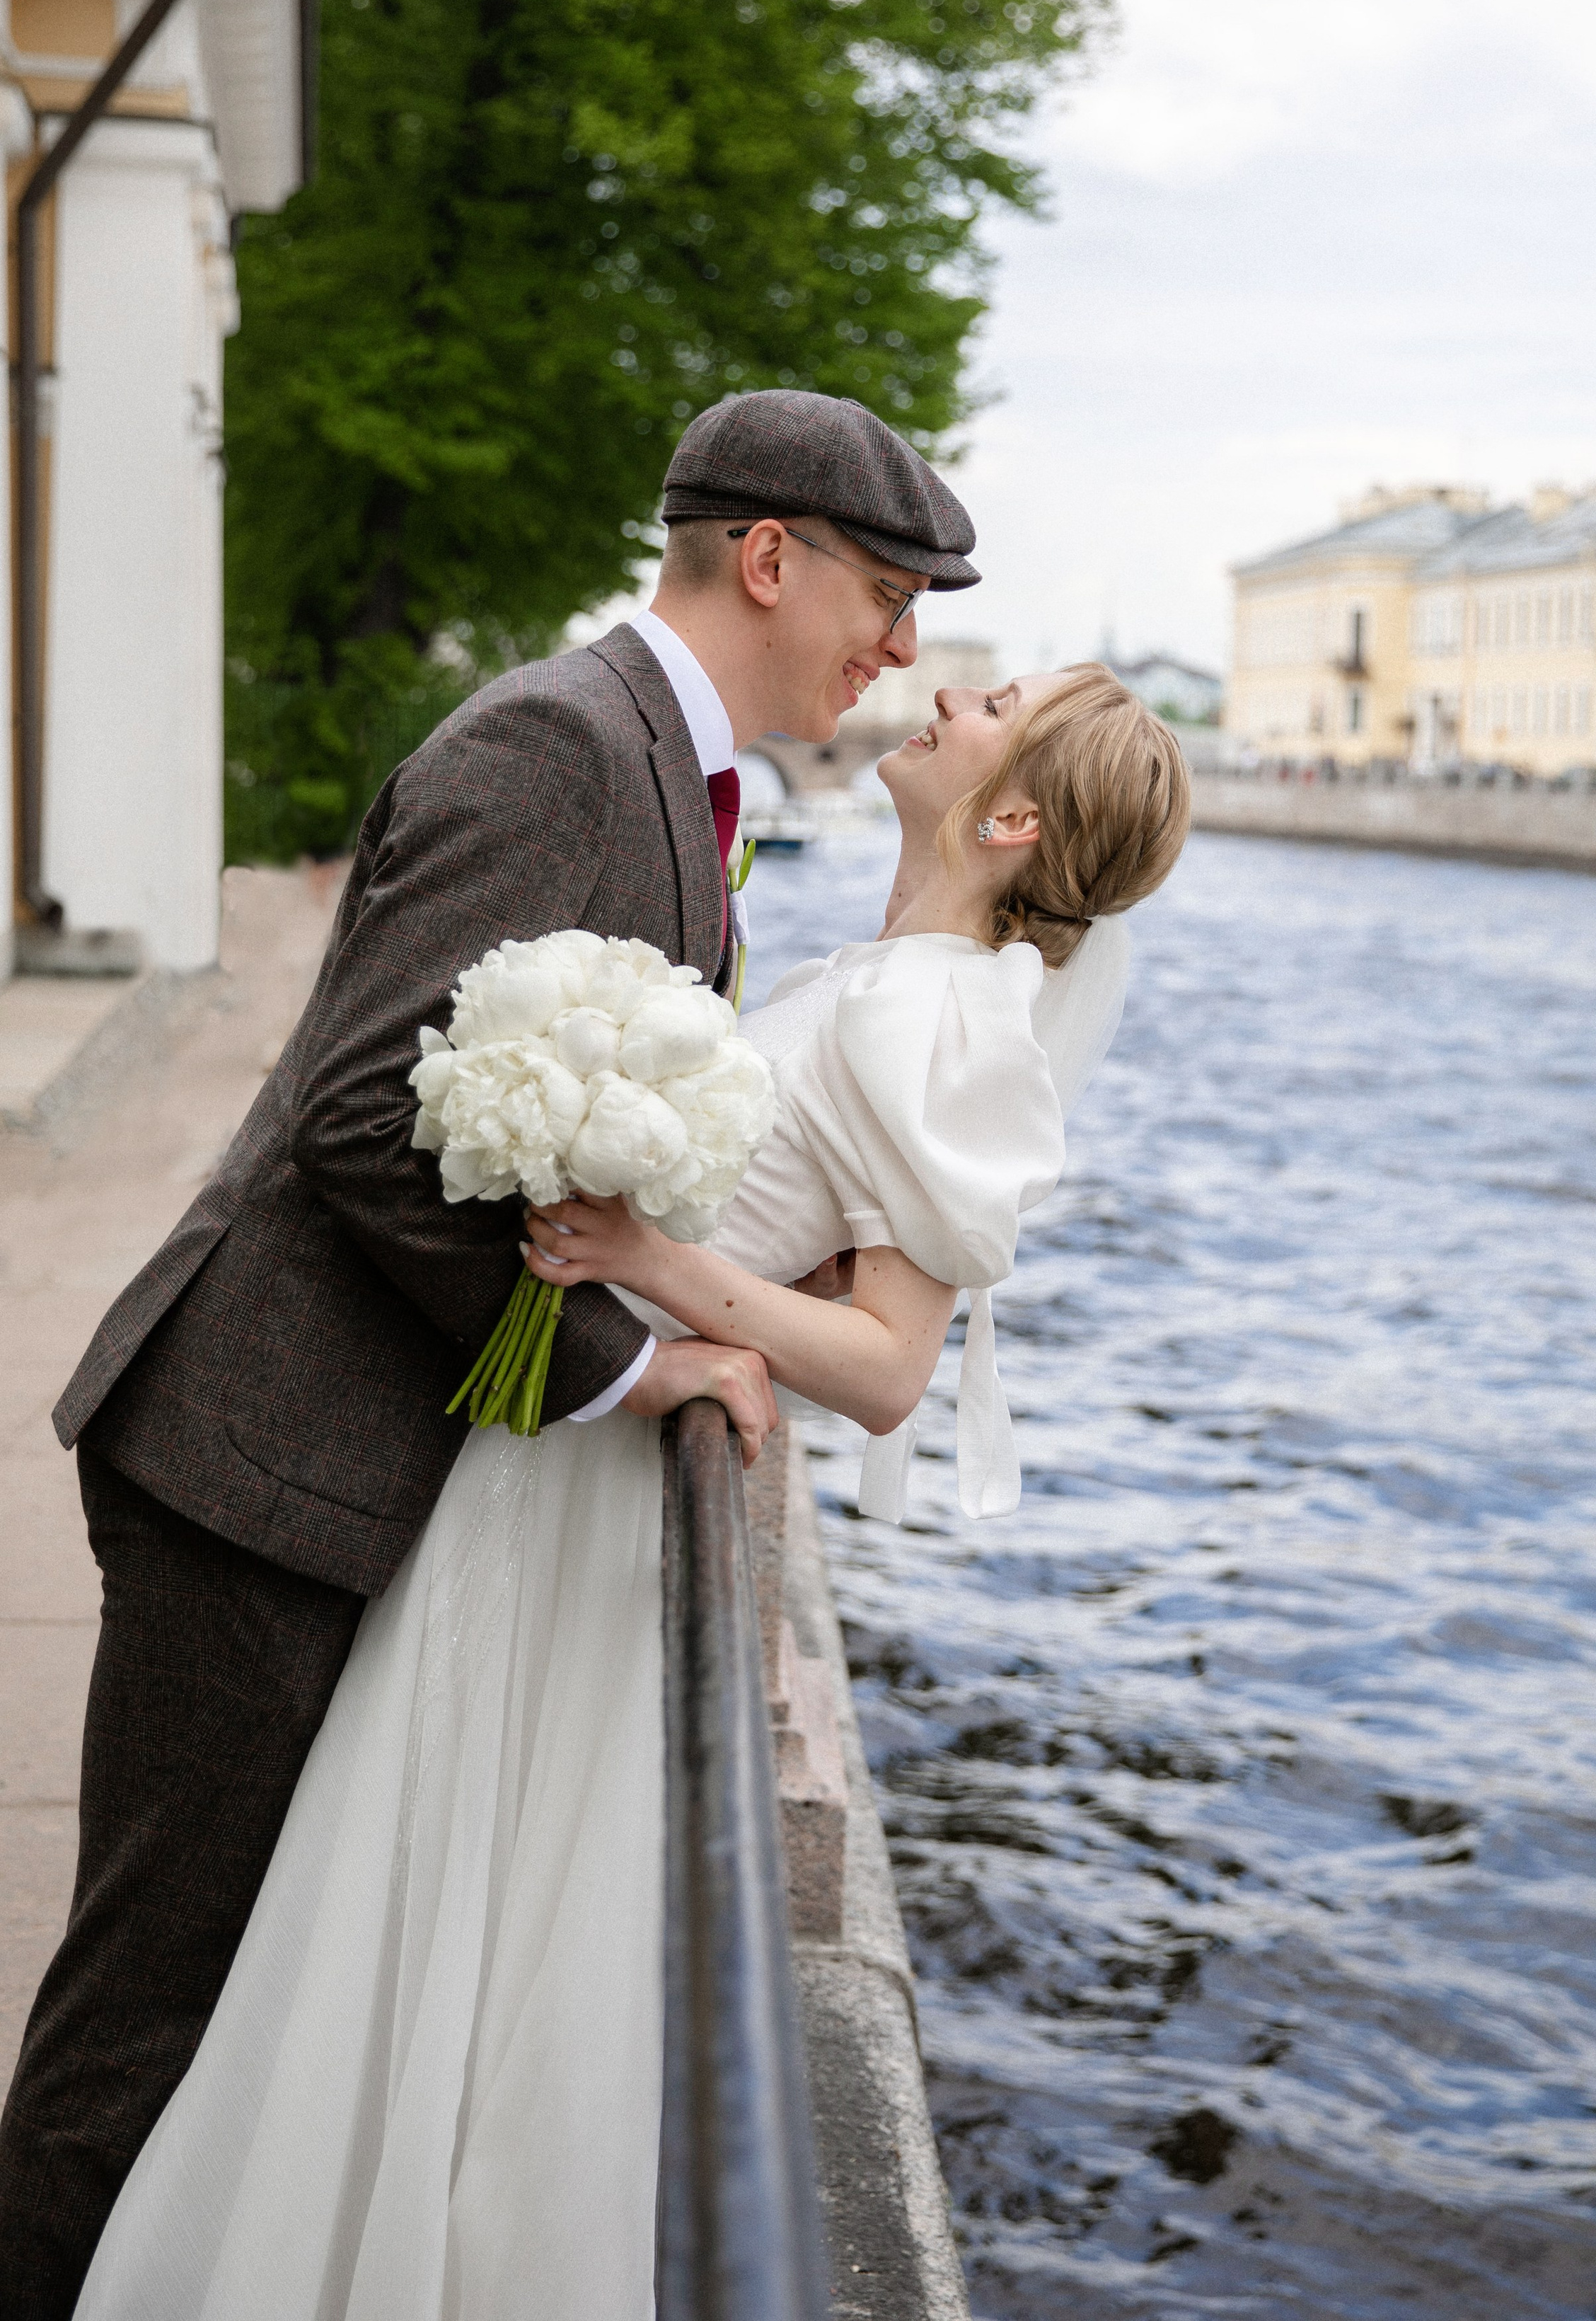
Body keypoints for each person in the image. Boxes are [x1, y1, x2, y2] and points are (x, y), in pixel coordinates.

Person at [0, 387, 980, 2321]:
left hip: (326, 1467)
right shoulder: (560, 742)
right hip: (259, 1465)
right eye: (888, 593)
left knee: (213, 2023)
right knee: (142, 2034)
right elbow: (368, 1118)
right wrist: (628, 1363)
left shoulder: (661, 767)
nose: (899, 647)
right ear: (766, 559)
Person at [66, 650, 1191, 2319]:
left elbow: (888, 1365)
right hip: (538, 1456)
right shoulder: (892, 976)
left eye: (992, 705)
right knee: (400, 1896)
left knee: (439, 1900)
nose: (948, 691)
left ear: (1013, 817)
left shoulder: (943, 1016)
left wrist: (655, 1266)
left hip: (576, 1493)